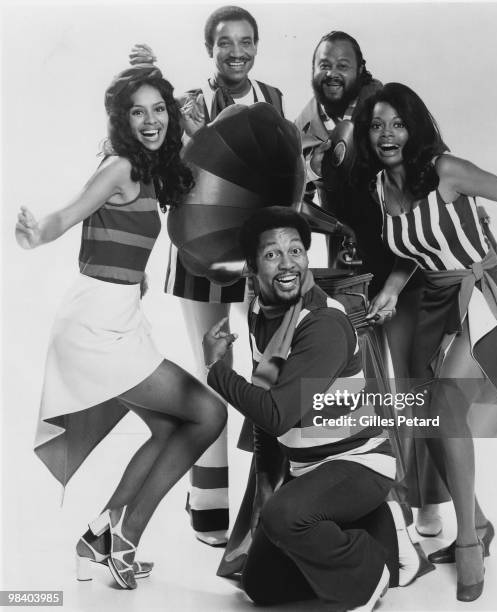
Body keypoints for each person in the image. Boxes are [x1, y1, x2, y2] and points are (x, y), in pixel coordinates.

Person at [15, 65, 226, 590]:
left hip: (120, 316)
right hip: (94, 324)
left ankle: (102, 538)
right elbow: (65, 217)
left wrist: (134, 283)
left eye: (159, 109)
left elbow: (208, 155)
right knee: (206, 412)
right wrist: (35, 233)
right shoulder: (117, 167)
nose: (151, 120)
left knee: (170, 426)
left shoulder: (156, 170)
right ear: (123, 120)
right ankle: (122, 539)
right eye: (139, 111)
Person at [356, 82, 497, 601]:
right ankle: (477, 521)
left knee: (440, 407)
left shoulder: (445, 169)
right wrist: (391, 293)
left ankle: (468, 546)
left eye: (397, 123)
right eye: (377, 125)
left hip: (479, 289)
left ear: (413, 126)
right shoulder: (379, 186)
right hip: (435, 301)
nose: (387, 134)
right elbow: (411, 251)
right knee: (426, 416)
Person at [129, 5, 284, 546]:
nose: (236, 52)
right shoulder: (186, 102)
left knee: (268, 374)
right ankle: (210, 507)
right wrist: (148, 80)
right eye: (224, 43)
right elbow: (158, 163)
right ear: (209, 49)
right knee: (211, 372)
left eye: (246, 42)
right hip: (199, 253)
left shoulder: (274, 100)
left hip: (259, 257)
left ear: (257, 46)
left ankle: (266, 504)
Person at [202, 206, 408, 611]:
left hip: (358, 463)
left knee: (285, 517)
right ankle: (369, 527)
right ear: (252, 267)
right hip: (309, 469)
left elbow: (277, 413)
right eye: (272, 254)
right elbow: (264, 410)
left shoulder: (323, 323)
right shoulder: (263, 312)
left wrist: (215, 369)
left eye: (295, 250)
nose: (287, 263)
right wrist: (264, 486)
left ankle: (371, 570)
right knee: (262, 586)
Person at [296, 30, 448, 535]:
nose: (332, 72)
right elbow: (305, 200)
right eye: (324, 63)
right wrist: (323, 222)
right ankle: (379, 503)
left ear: (361, 68)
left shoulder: (385, 110)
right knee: (364, 389)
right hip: (350, 271)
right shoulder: (304, 122)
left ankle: (425, 503)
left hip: (407, 268)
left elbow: (427, 188)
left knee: (410, 388)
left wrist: (398, 280)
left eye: (344, 64)